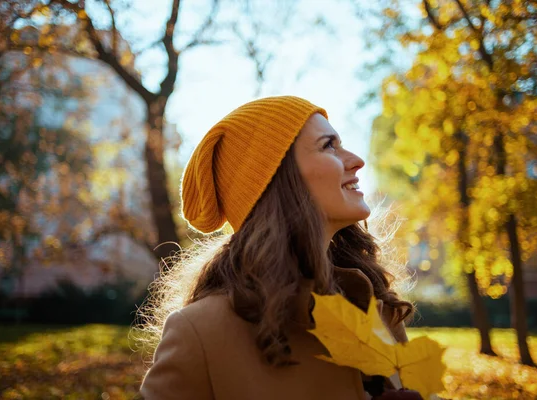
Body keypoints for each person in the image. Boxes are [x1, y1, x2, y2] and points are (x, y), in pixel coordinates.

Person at [138, 96, 416, 400]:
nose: (355, 160)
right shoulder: (200, 332)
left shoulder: (378, 306)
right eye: (328, 145)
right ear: (280, 180)